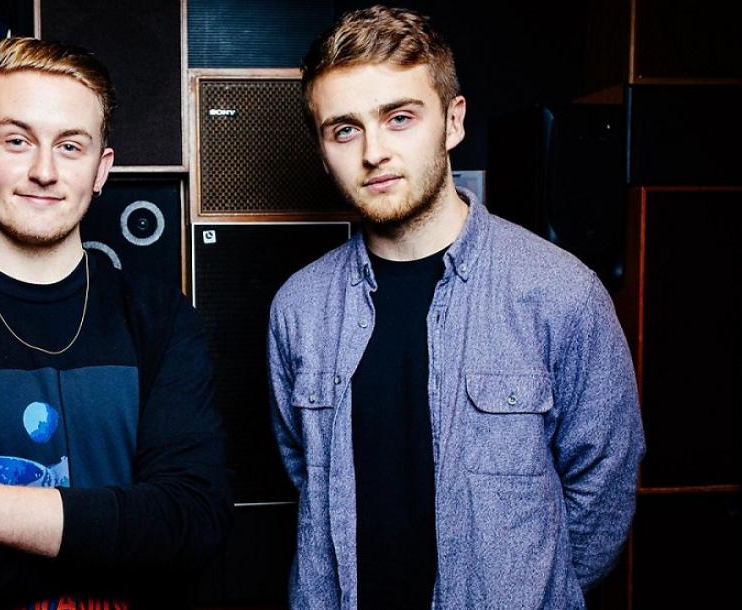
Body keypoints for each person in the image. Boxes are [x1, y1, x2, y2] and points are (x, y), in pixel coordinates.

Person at [267, 6, 644, 609]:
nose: (374, 152)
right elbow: (304, 469)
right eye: (345, 130)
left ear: (452, 121)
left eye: (399, 118)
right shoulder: (299, 308)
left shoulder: (561, 293)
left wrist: (525, 588)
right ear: (322, 147)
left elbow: (602, 490)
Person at [0, 36, 231, 609]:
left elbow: (190, 527)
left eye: (70, 146)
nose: (44, 171)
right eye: (17, 141)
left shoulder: (162, 319)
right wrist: (123, 538)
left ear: (101, 169)